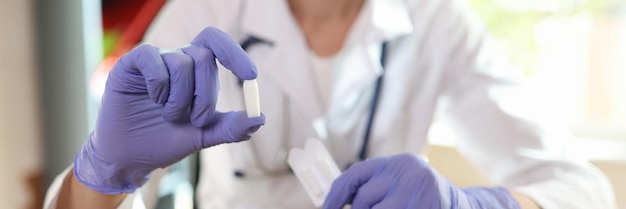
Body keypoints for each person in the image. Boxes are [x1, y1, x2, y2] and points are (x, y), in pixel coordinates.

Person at [44, 0, 617, 208]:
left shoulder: (438, 22)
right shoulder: (204, 11)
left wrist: (481, 206)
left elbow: (586, 191)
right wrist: (105, 173)